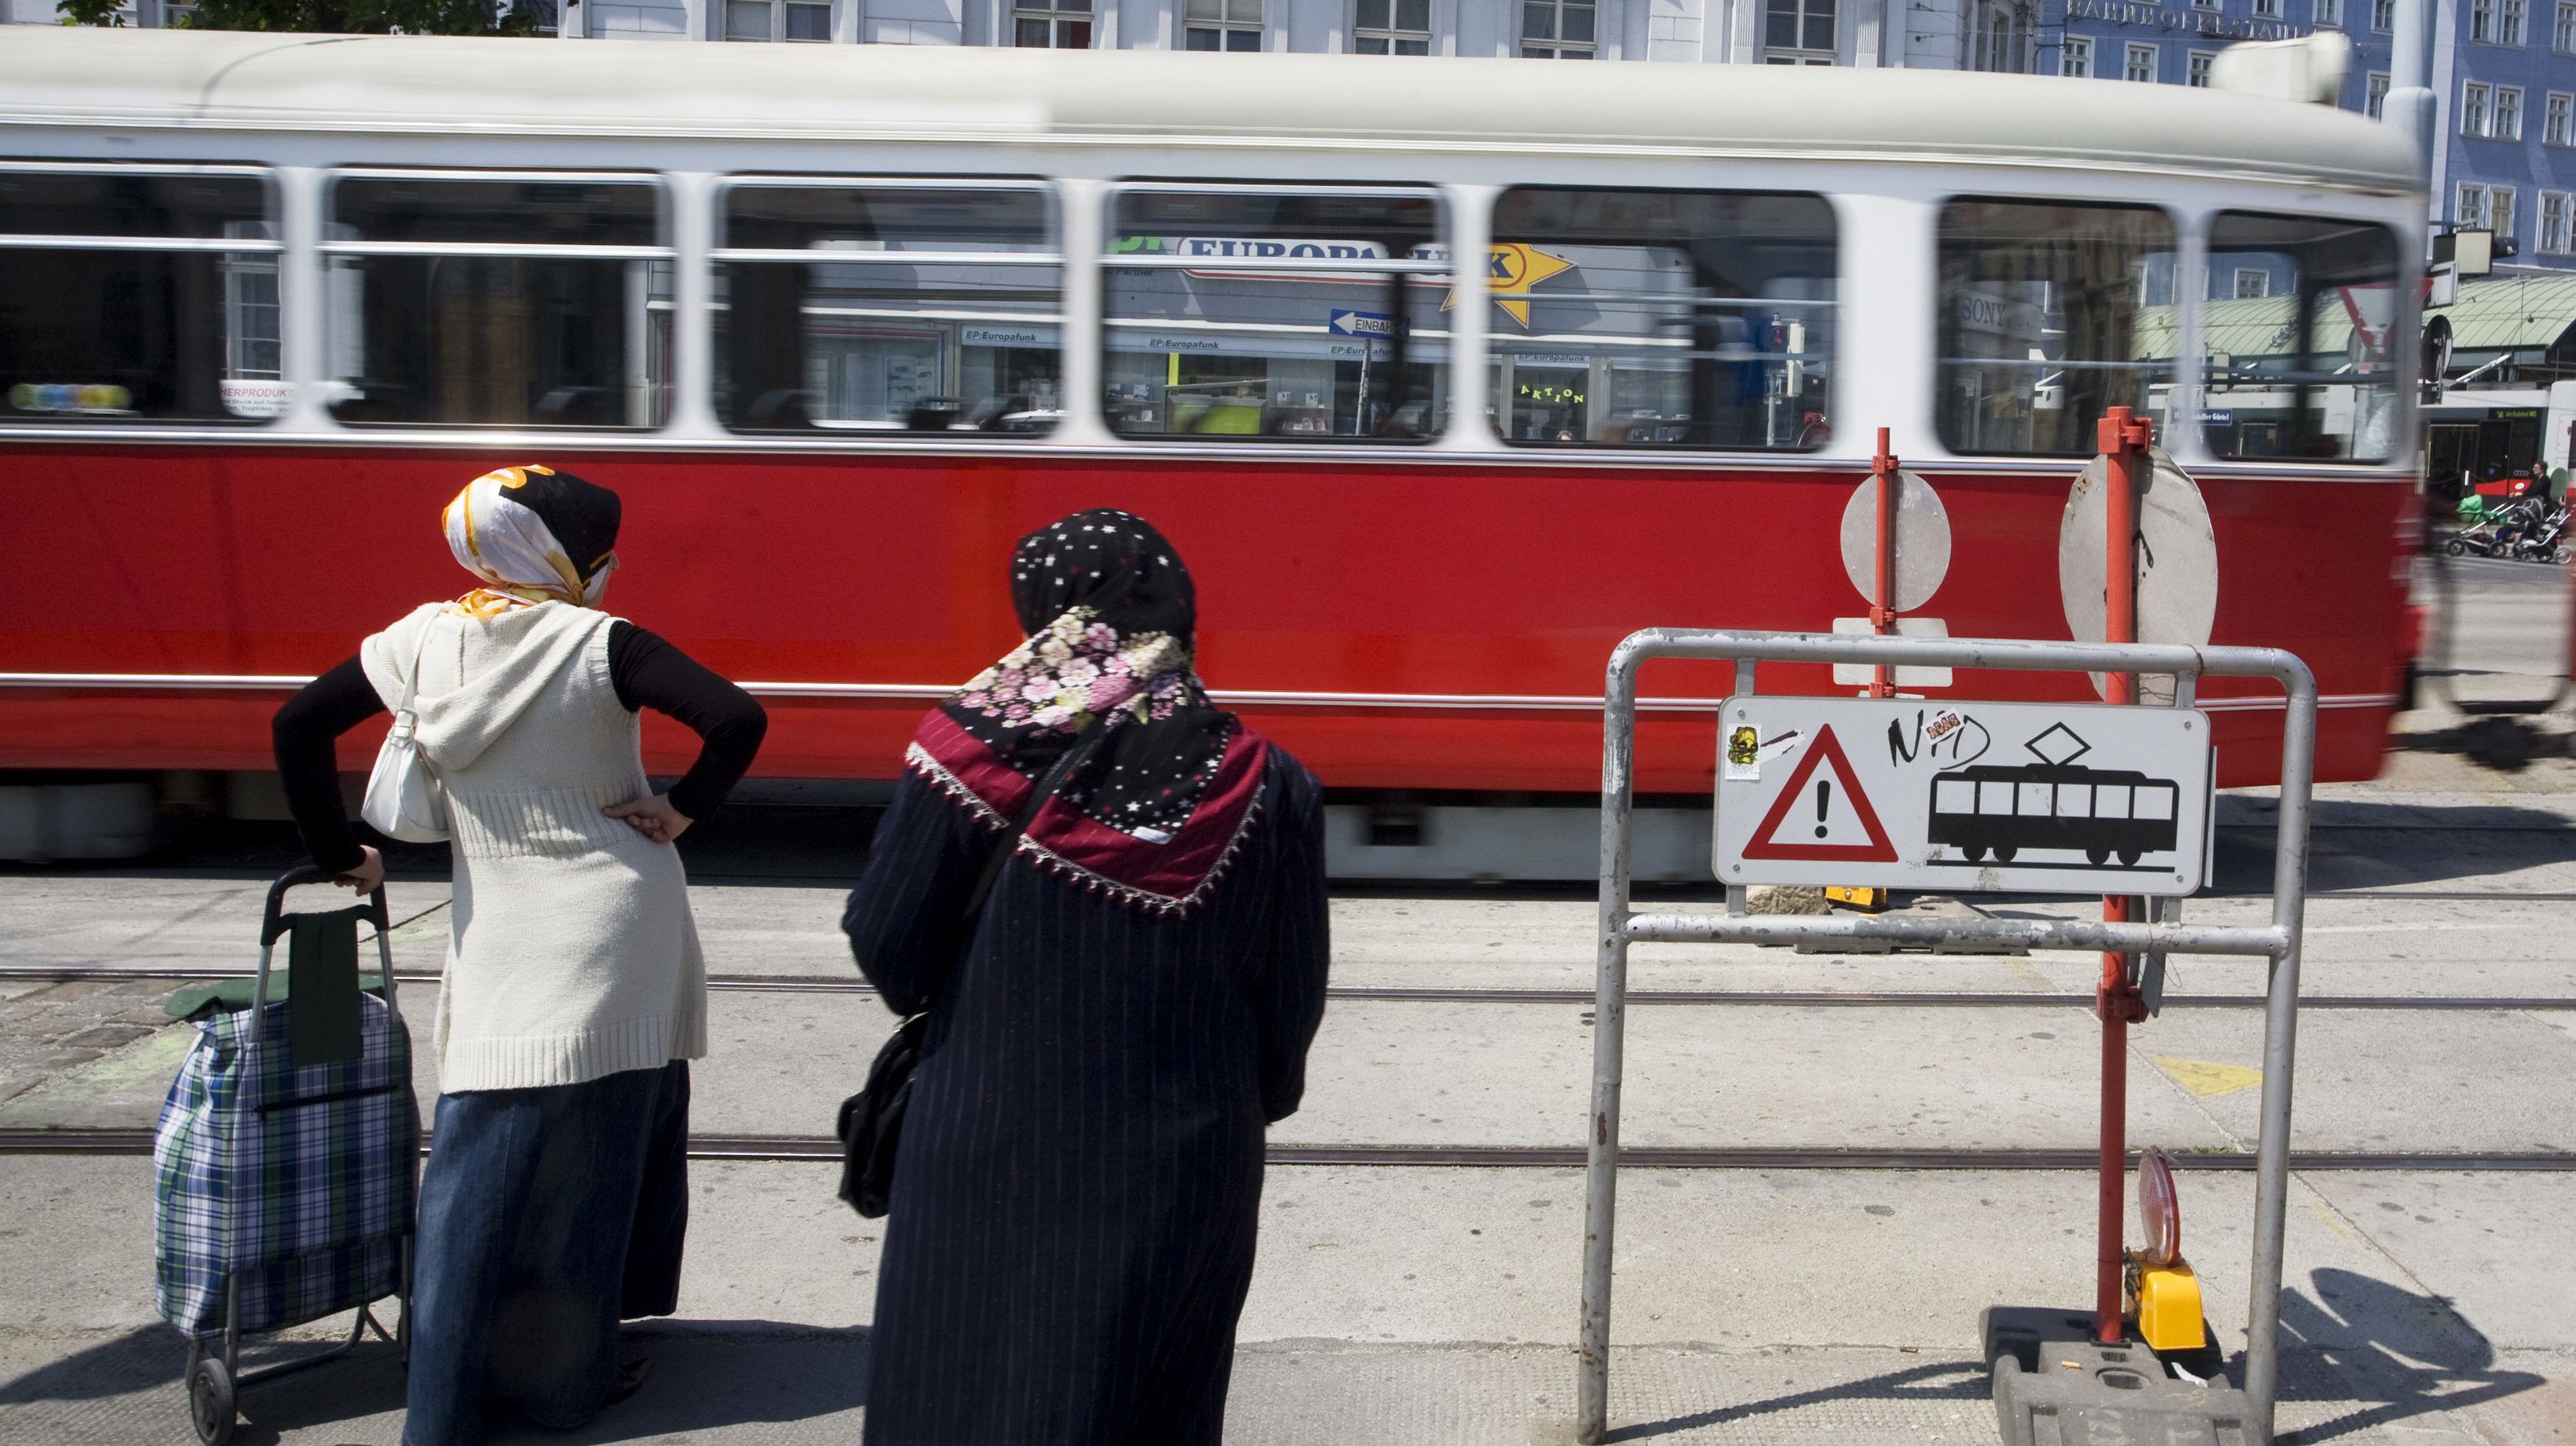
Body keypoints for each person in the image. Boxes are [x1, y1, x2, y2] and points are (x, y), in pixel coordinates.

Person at [270, 464, 766, 1446]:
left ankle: (447, 1407)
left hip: (503, 935)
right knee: (592, 1165)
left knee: (473, 1175)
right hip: (622, 925)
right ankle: (558, 1387)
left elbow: (297, 727)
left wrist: (341, 856)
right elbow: (737, 717)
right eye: (596, 550)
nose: (606, 566)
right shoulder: (603, 644)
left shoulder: (416, 641)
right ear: (565, 557)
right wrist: (677, 809)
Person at [842, 509, 1331, 1446]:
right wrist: (1234, 1102)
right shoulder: (1272, 782)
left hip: (982, 1144)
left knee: (959, 1391)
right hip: (1186, 1156)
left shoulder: (967, 746)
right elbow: (1287, 1004)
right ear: (1177, 610)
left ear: (1043, 615)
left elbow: (889, 952)